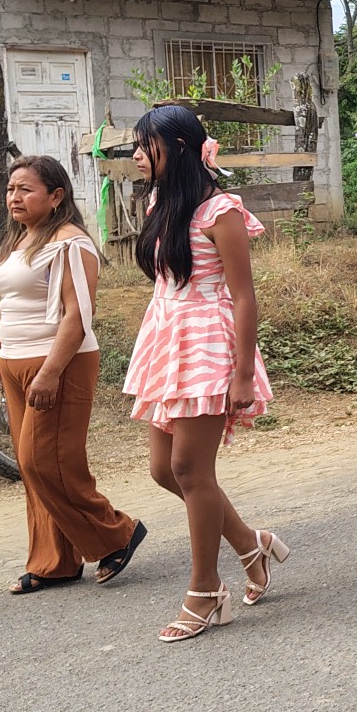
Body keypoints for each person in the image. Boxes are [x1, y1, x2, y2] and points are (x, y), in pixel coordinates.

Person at [121, 105, 284, 643]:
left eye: (146, 145)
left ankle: (205, 591)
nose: (137, 155)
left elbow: (244, 296)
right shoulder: (161, 203)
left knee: (190, 469)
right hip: (168, 340)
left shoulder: (221, 211)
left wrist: (243, 373)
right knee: (165, 470)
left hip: (210, 344)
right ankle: (251, 545)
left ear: (179, 149)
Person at [0, 157, 146, 595]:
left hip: (59, 362)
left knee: (45, 461)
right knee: (33, 468)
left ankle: (116, 534)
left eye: (25, 189)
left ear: (56, 195)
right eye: (11, 189)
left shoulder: (70, 243)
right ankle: (54, 561)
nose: (14, 197)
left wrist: (50, 373)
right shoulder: (21, 241)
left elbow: (79, 314)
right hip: (14, 362)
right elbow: (7, 310)